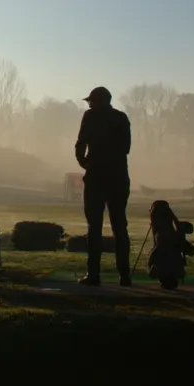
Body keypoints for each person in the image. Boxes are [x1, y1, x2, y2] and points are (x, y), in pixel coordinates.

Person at [74, 86, 132, 286]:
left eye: (91, 100)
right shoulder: (121, 118)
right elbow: (126, 147)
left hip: (97, 176)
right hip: (118, 176)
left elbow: (81, 143)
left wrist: (84, 162)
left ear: (97, 101)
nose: (89, 104)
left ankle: (93, 274)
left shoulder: (90, 117)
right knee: (120, 227)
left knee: (94, 227)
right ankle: (125, 276)